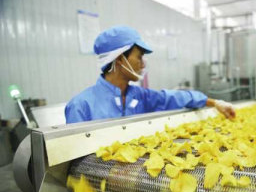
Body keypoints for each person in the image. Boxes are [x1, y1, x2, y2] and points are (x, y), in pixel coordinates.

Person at [65, 26, 235, 123]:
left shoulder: (140, 97)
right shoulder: (81, 106)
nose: (143, 63)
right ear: (119, 60)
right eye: (139, 57)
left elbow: (173, 98)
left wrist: (214, 103)